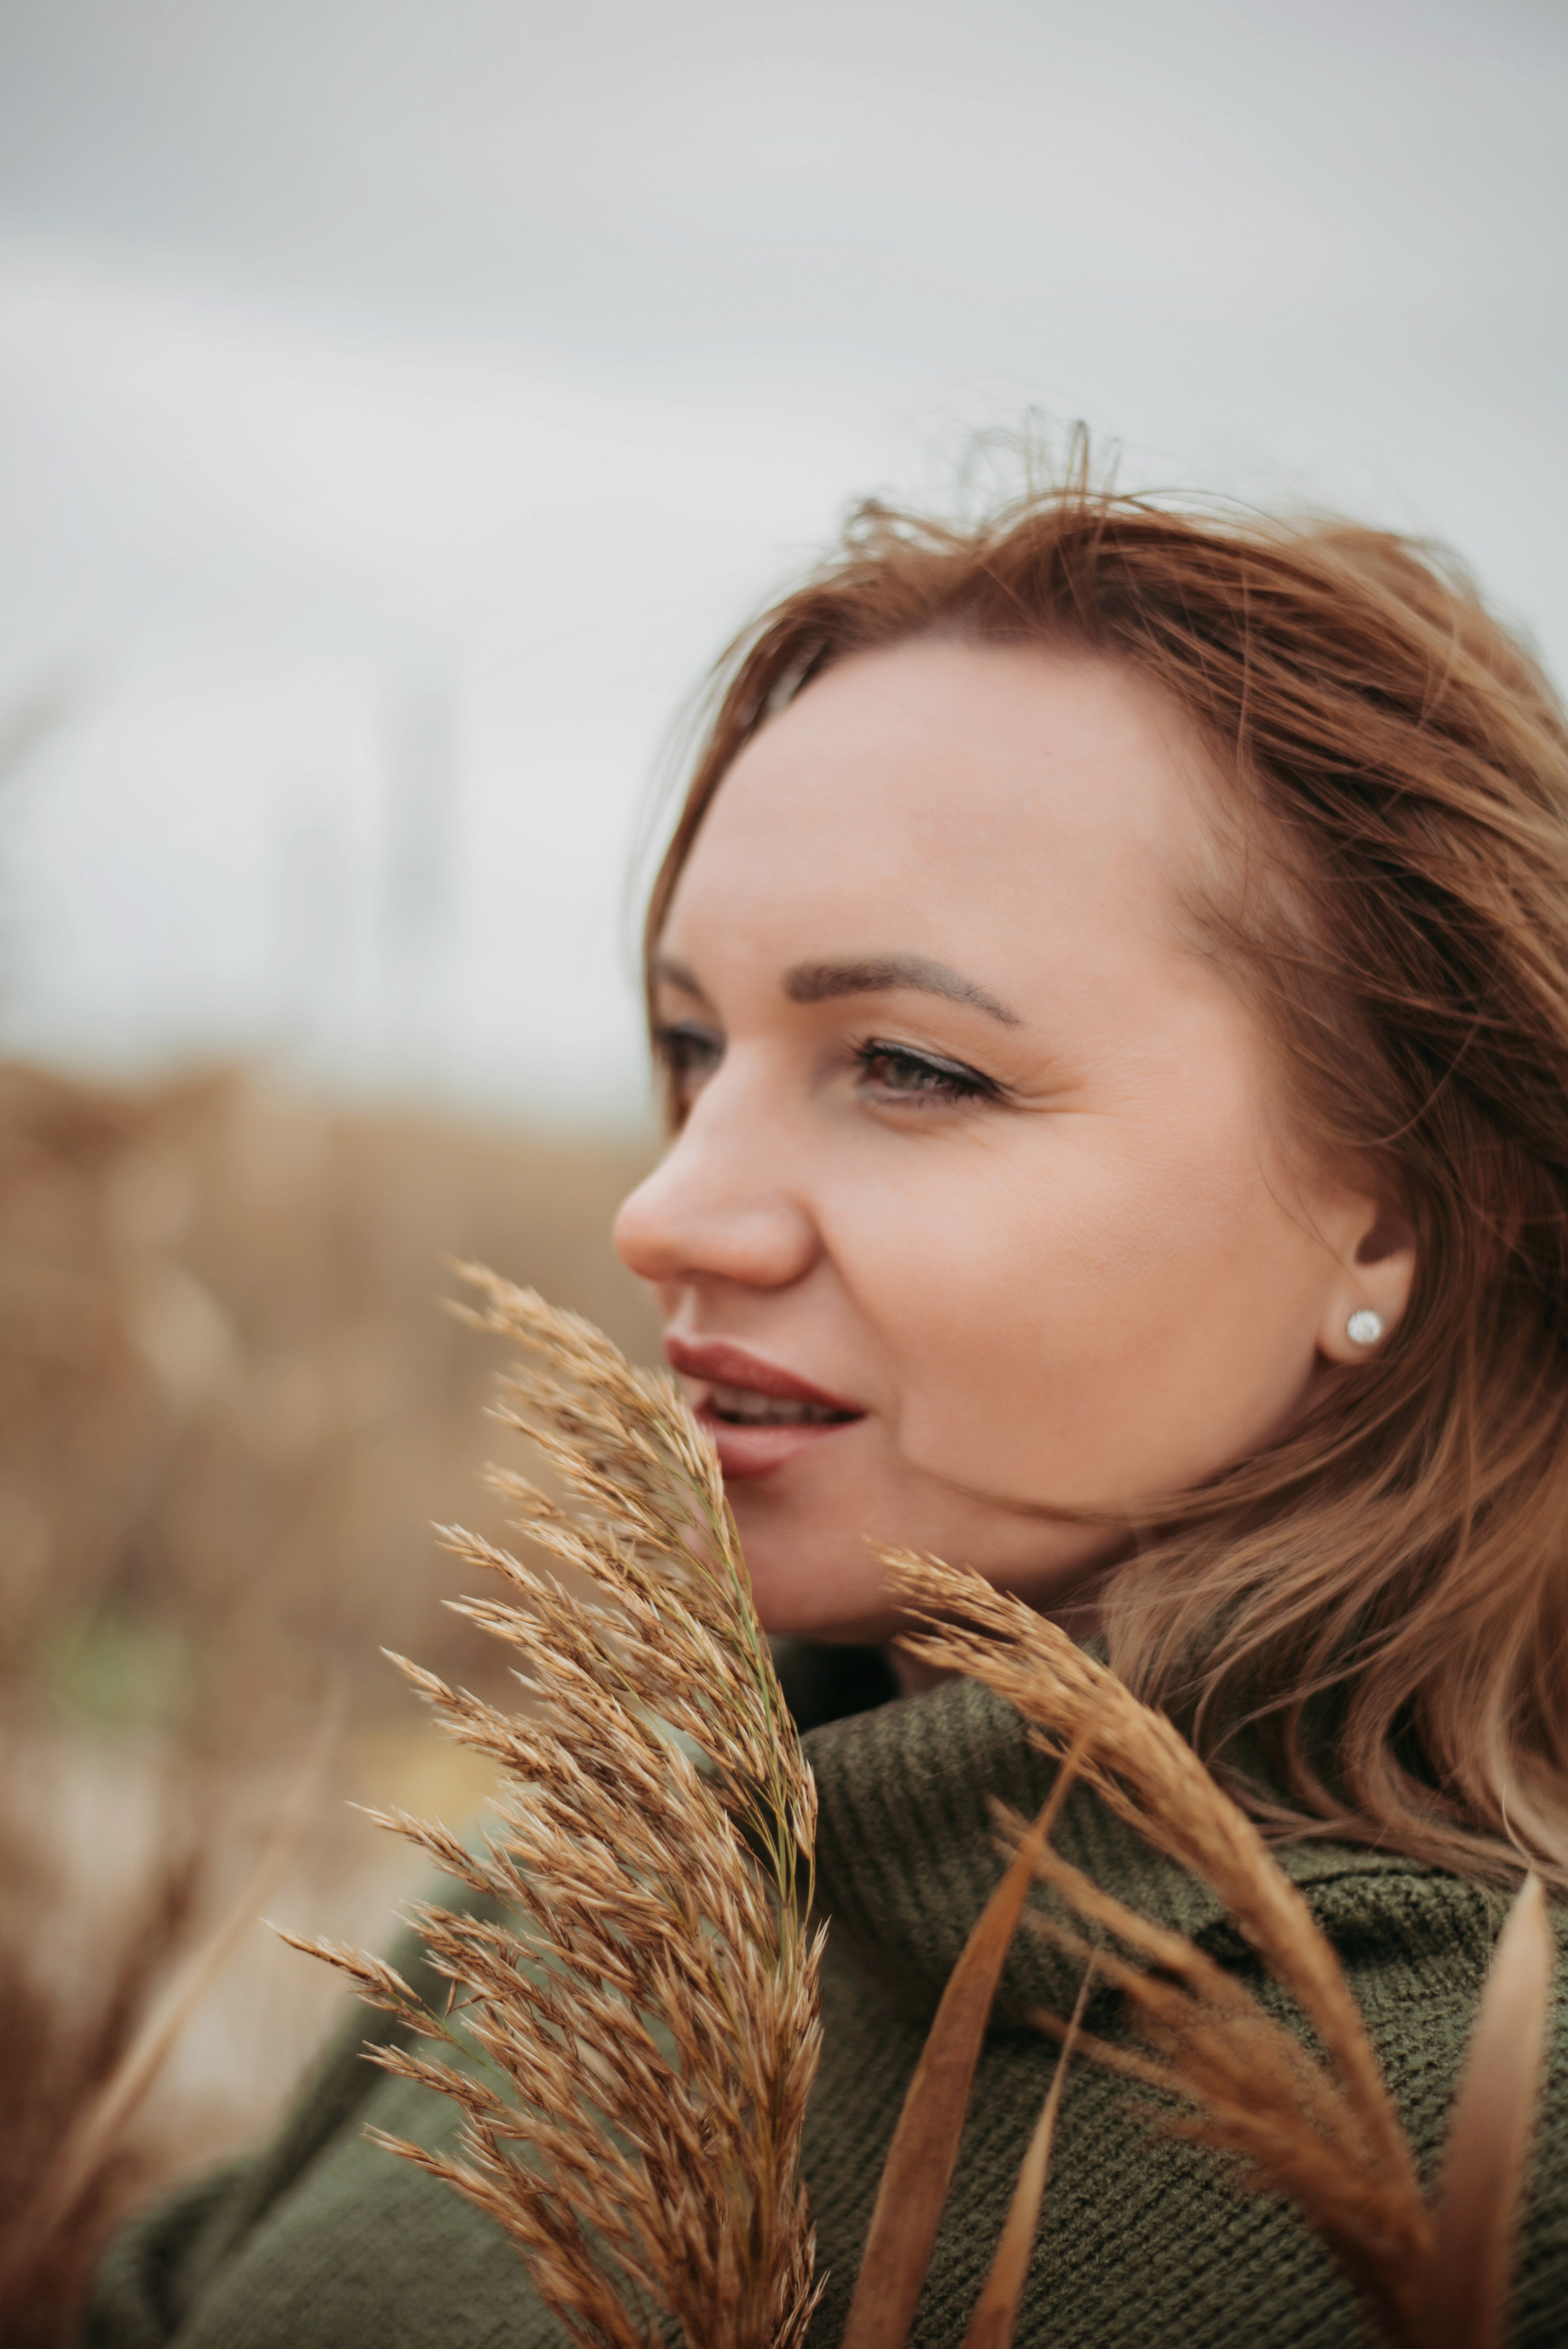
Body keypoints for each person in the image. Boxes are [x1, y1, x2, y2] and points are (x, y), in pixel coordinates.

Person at [83, 471, 1568, 2345]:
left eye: (912, 1065)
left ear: (1401, 1210)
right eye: (692, 1046)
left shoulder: (1481, 2143)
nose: (667, 1211)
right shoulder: (658, 1853)